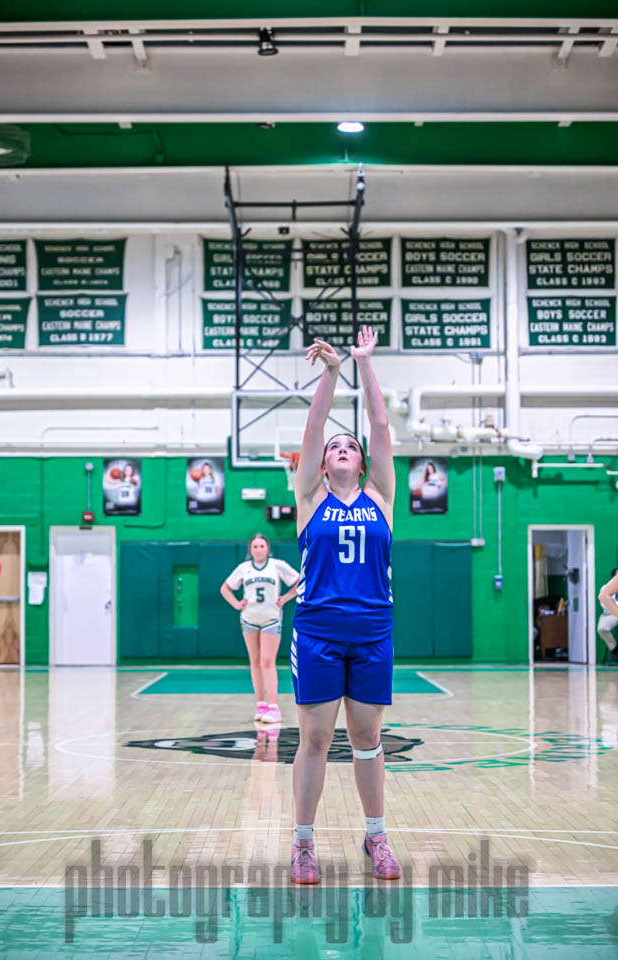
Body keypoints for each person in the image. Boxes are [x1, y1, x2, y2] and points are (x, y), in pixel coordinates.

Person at [290, 324, 401, 885]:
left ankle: (376, 835)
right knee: (315, 739)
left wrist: (364, 363)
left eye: (349, 447)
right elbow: (314, 427)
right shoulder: (309, 498)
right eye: (335, 446)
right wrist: (332, 374)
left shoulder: (381, 496)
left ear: (361, 463)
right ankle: (303, 843)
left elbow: (379, 426)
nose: (340, 447)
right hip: (318, 631)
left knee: (366, 739)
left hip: (372, 630)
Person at [220, 534, 299, 723]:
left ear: (268, 548)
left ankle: (274, 707)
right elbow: (225, 588)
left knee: (267, 661)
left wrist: (285, 598)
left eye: (261, 545)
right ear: (250, 549)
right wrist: (237, 604)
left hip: (271, 618)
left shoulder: (277, 565)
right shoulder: (244, 568)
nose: (258, 549)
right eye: (255, 546)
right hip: (249, 619)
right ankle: (261, 704)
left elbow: (299, 582)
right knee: (255, 662)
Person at [598, 568, 618, 659]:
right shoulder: (606, 587)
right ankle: (614, 648)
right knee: (601, 628)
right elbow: (603, 597)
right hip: (609, 614)